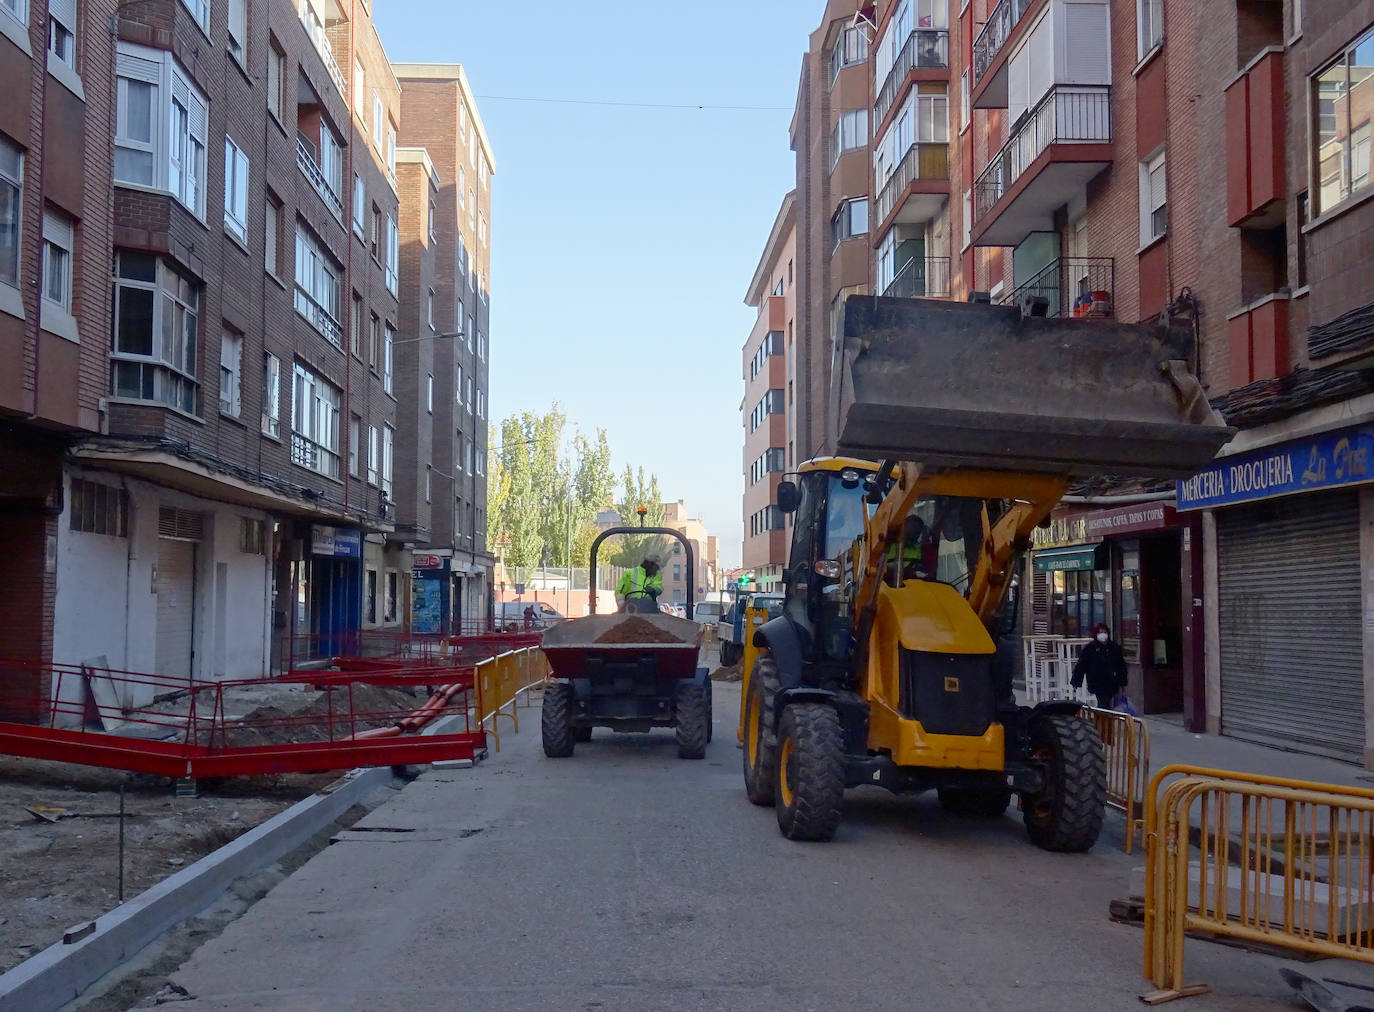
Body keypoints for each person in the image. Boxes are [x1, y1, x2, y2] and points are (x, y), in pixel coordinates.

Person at [1071, 623, 1129, 709]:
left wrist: (1123, 682)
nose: (1103, 635)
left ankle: (1103, 720)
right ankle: (1103, 720)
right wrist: (1076, 682)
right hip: (1097, 682)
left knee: (1106, 703)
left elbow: (1121, 665)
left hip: (1112, 682)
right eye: (1100, 632)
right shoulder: (1090, 648)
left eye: (1104, 632)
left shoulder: (1114, 647)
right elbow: (1081, 666)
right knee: (1103, 703)